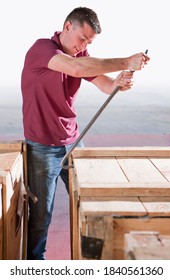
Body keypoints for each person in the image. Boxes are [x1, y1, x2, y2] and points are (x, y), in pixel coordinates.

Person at [21, 6, 149, 260]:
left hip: (73, 141)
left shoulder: (82, 55)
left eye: (89, 42)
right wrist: (125, 61)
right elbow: (77, 68)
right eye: (82, 38)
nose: (84, 45)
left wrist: (117, 83)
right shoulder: (42, 49)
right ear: (67, 27)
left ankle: (92, 262)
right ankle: (34, 265)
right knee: (41, 216)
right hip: (42, 147)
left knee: (90, 204)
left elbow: (101, 81)